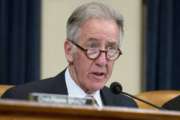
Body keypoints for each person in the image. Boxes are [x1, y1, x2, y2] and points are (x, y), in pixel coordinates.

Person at [2, 2, 137, 108]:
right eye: (93, 47)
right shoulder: (22, 100)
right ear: (69, 51)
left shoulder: (127, 107)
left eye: (111, 49)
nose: (102, 61)